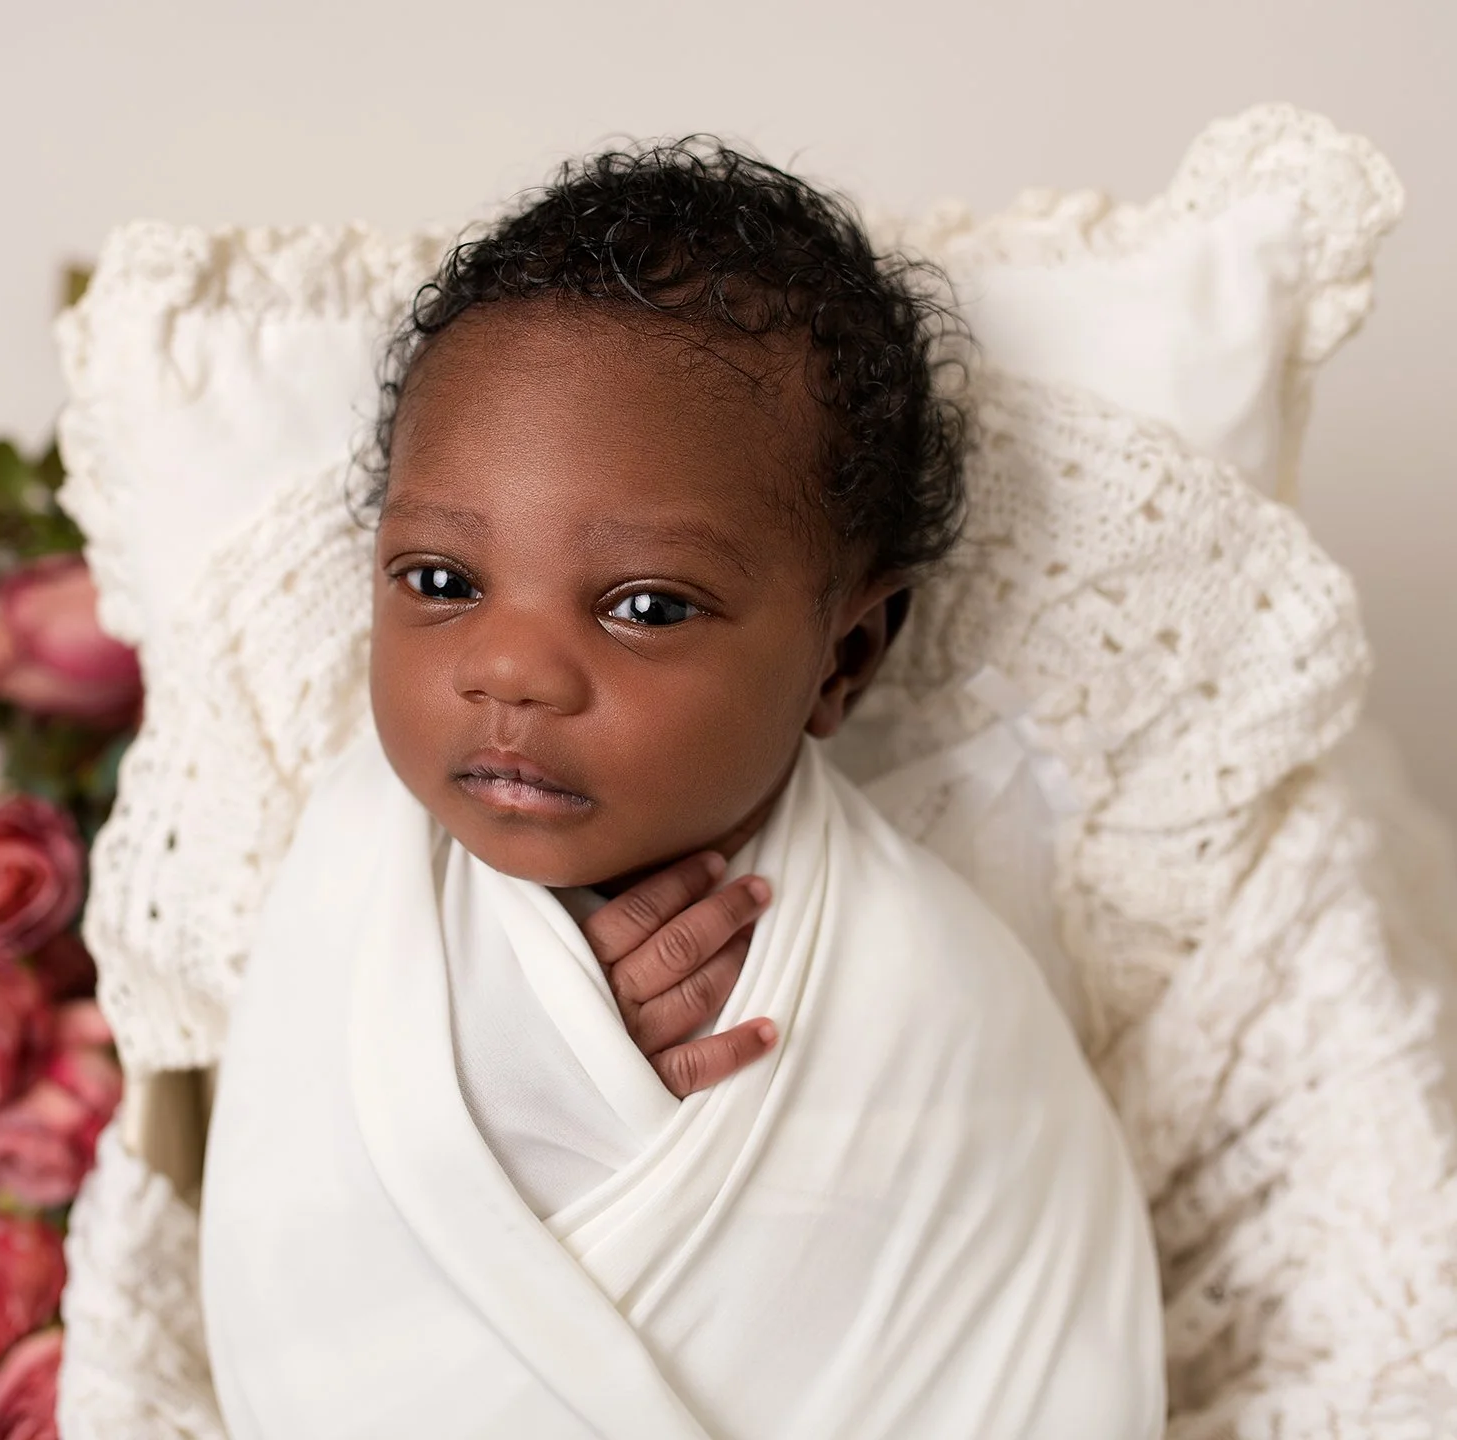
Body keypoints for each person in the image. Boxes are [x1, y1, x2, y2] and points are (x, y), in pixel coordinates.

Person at [199, 141, 1166, 1438]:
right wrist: (544, 1064)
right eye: (441, 582)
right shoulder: (347, 856)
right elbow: (285, 1239)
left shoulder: (929, 992)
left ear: (844, 658)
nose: (509, 669)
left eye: (646, 607)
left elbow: (1000, 1331)